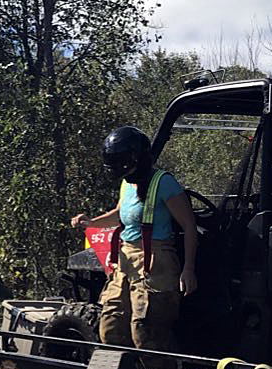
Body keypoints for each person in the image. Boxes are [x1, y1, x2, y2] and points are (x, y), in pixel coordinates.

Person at [71, 126, 198, 351]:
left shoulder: (164, 182)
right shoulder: (127, 182)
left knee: (146, 332)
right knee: (110, 328)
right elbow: (120, 213)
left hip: (156, 261)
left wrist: (188, 269)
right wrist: (91, 222)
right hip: (126, 260)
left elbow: (189, 225)